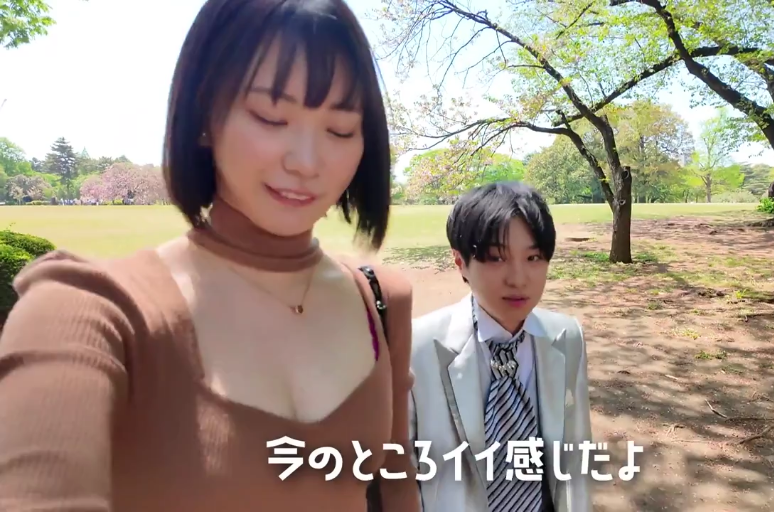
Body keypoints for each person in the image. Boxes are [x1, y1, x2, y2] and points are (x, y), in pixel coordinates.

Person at [0, 0, 419, 511]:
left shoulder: (381, 300)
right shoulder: (90, 311)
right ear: (203, 117)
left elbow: (397, 482)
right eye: (270, 117)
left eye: (340, 130)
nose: (307, 162)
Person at [408, 182, 594, 512]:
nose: (518, 279)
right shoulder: (418, 346)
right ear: (460, 262)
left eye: (533, 257)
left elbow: (575, 452)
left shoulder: (566, 336)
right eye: (496, 258)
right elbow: (401, 475)